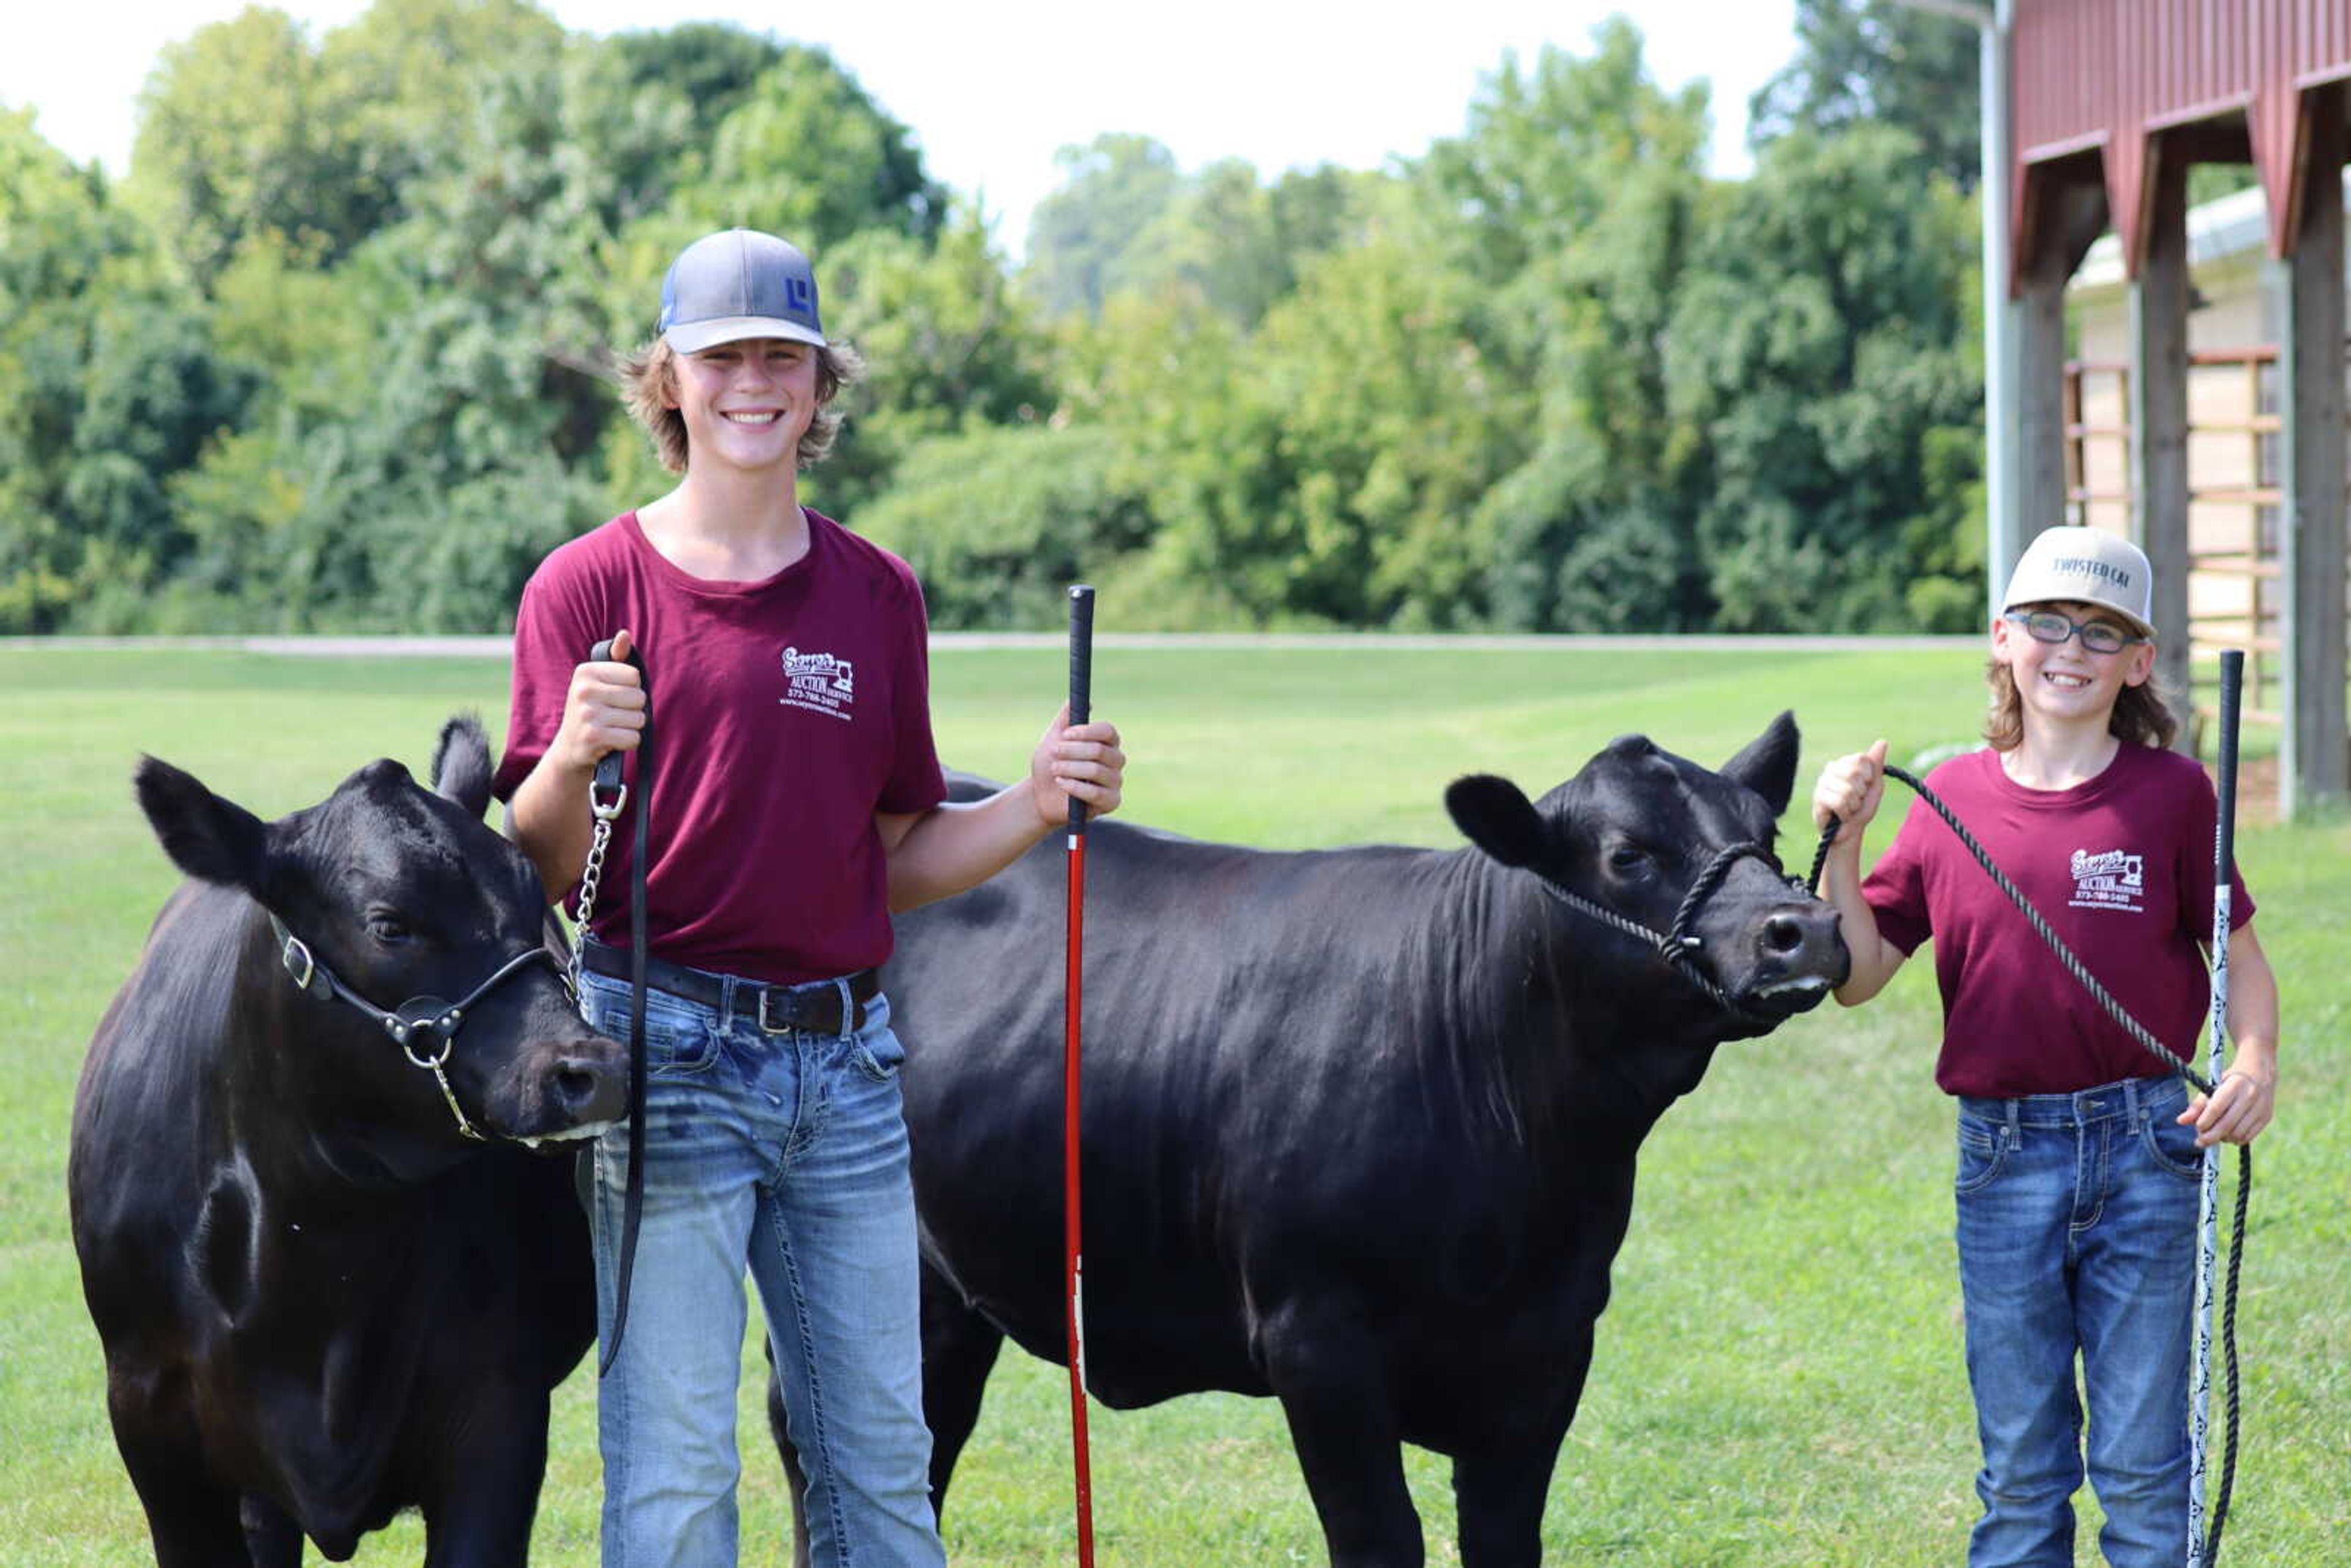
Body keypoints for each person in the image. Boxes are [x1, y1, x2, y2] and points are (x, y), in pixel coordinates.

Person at [493, 227, 1125, 1568]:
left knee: (881, 1468)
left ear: (821, 384)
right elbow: (541, 868)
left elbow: (887, 858)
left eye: (784, 354)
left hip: (846, 1069)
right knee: (674, 1475)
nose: (754, 382)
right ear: (667, 380)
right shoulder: (586, 587)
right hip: (660, 1054)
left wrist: (1029, 805)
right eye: (722, 357)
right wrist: (569, 753)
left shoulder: (877, 592)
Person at [1809, 525, 2278, 1568]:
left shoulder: (2172, 795)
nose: (2071, 649)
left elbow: (2239, 955)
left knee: (2148, 1465)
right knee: (2021, 1469)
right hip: (2004, 1156)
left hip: (2153, 1144)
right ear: (2003, 638)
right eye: (2049, 624)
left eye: (2101, 632)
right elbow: (1857, 974)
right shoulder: (1951, 801)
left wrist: (2253, 1060)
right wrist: (1841, 838)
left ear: (2139, 662)